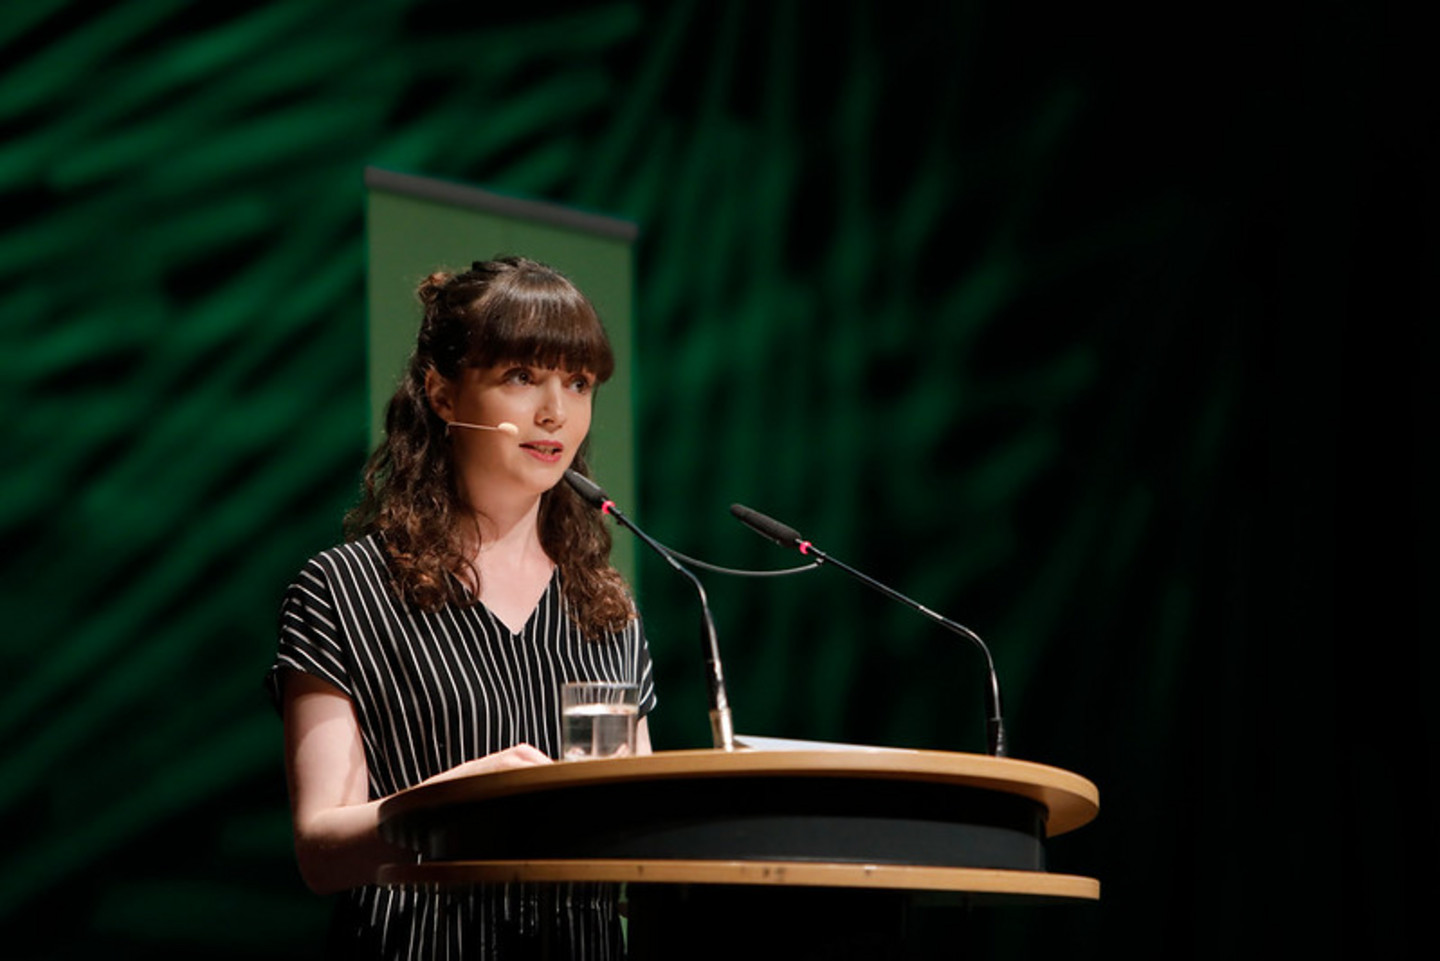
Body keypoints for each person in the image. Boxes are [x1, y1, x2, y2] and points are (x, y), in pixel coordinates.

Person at [267, 256, 656, 959]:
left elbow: (634, 845)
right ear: (442, 395)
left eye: (577, 382)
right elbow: (320, 852)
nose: (554, 412)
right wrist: (452, 807)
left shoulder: (606, 608)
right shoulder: (343, 590)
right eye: (520, 376)